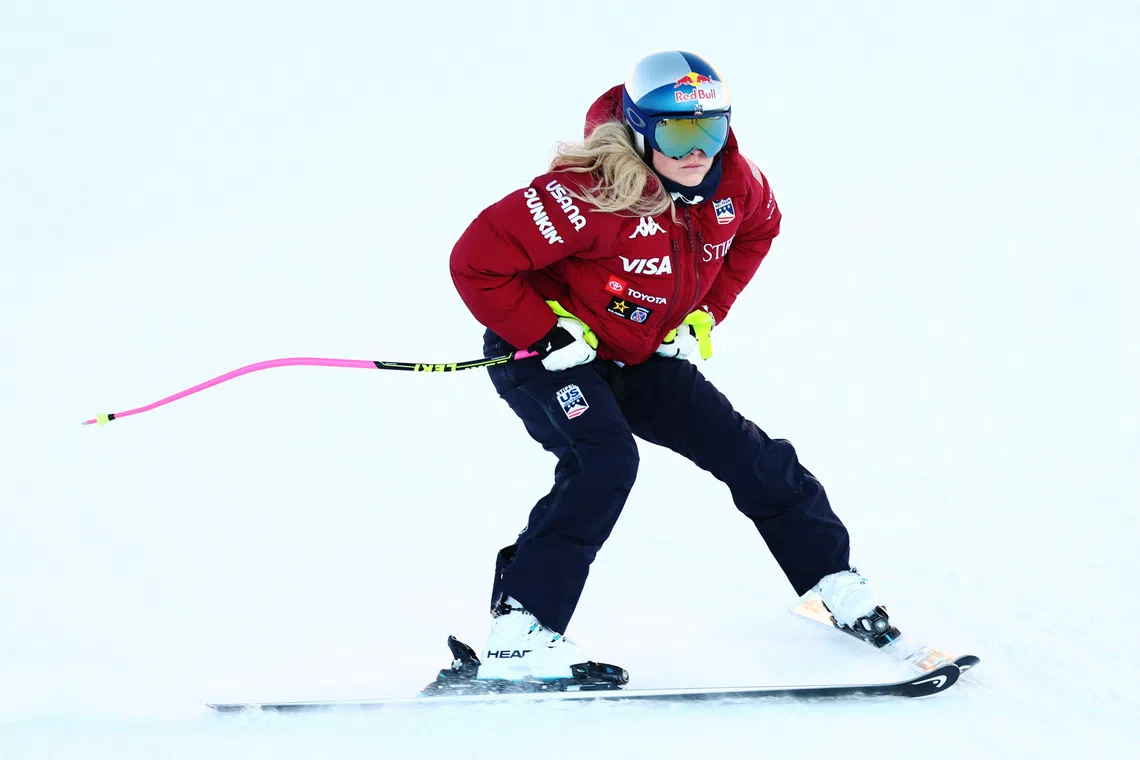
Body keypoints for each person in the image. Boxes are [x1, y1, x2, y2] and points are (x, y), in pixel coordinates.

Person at [449, 50, 882, 682]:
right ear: (640, 129)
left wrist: (706, 311)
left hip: (638, 353)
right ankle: (522, 631)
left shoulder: (737, 186)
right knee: (603, 461)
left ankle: (830, 586)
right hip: (547, 355)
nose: (697, 150)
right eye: (678, 133)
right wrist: (545, 332)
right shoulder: (588, 192)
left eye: (712, 128)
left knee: (750, 454)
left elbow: (760, 231)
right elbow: (476, 261)